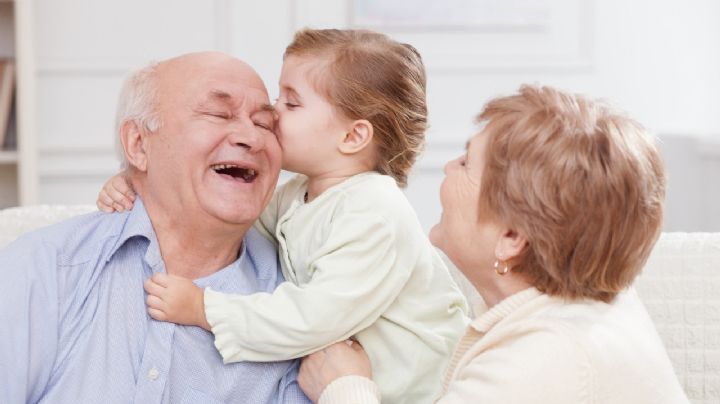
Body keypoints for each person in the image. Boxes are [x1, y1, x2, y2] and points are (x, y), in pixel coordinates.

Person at [97, 29, 469, 404]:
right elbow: (228, 221)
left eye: (291, 103)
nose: (273, 113)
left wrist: (203, 307)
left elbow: (313, 319)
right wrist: (139, 183)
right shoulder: (299, 195)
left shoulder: (377, 211)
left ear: (353, 137)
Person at [296, 85, 690, 404]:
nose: (449, 167)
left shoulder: (546, 358)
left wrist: (344, 387)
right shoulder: (589, 305)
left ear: (512, 238)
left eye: (467, 164)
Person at [0, 52, 311, 404]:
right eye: (218, 114)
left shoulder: (302, 304)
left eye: (264, 124)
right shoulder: (43, 270)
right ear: (138, 144)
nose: (250, 138)